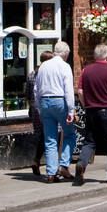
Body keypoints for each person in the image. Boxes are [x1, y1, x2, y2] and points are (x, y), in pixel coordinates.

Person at [75, 44, 107, 185]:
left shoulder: (86, 71)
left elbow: (80, 91)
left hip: (91, 111)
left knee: (89, 141)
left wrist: (86, 105)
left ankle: (82, 164)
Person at [33, 40, 77, 182]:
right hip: (60, 101)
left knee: (50, 138)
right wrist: (71, 110)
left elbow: (36, 89)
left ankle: (51, 173)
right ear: (66, 54)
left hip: (45, 101)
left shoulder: (44, 66)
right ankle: (64, 165)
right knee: (69, 134)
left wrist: (39, 108)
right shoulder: (65, 66)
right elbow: (68, 90)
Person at [25, 48, 53, 177]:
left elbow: (27, 95)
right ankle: (52, 165)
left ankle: (36, 160)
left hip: (34, 110)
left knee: (42, 136)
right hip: (45, 108)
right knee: (51, 137)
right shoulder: (47, 74)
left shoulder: (32, 74)